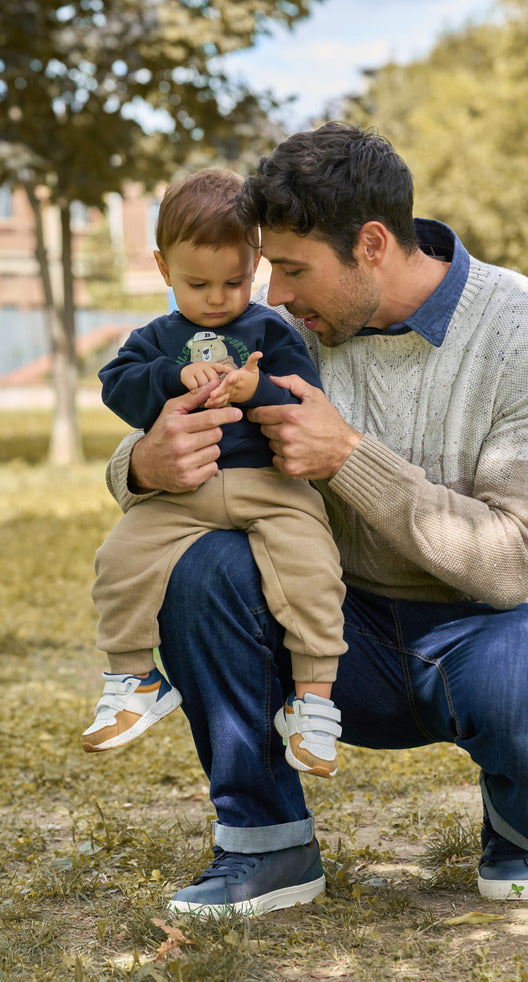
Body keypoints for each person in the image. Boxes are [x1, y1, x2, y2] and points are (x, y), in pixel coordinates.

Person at [104, 122, 528, 916]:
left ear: (371, 244)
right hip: (327, 630)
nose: (275, 296)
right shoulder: (281, 331)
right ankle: (266, 846)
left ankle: (519, 822)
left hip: (484, 623)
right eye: (270, 268)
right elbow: (168, 441)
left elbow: (508, 560)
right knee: (201, 570)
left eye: (294, 269)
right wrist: (137, 466)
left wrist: (347, 457)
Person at [81, 167, 346, 780]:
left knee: (312, 569)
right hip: (184, 492)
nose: (218, 297)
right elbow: (116, 387)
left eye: (234, 281)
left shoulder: (270, 329)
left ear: (255, 265)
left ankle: (312, 700)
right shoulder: (155, 338)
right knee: (120, 558)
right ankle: (133, 678)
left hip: (271, 488)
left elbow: (306, 398)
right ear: (163, 266)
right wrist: (173, 379)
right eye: (197, 283)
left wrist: (260, 387)